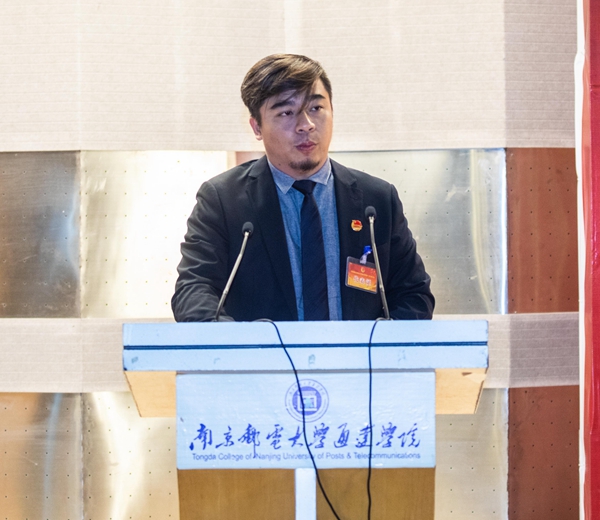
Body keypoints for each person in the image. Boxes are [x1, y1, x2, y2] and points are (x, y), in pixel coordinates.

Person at [172, 54, 434, 322]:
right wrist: (243, 342)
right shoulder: (223, 200)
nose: (306, 125)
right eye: (286, 113)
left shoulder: (376, 201)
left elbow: (414, 295)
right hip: (262, 350)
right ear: (257, 127)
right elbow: (193, 291)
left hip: (357, 351)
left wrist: (377, 342)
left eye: (316, 108)